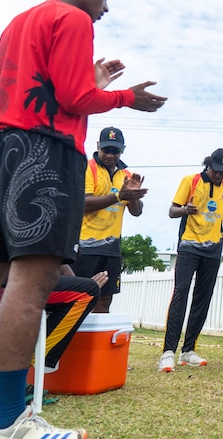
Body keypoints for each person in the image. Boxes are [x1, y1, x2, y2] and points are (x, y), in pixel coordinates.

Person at [0, 0, 165, 439]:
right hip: (45, 155)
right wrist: (127, 98)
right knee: (31, 284)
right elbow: (76, 100)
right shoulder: (74, 19)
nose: (105, 6)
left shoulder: (17, 23)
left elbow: (56, 90)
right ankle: (10, 419)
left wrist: (94, 81)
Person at [158, 148, 223, 372]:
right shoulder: (190, 182)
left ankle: (188, 351)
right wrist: (185, 210)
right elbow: (172, 211)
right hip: (189, 247)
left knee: (203, 298)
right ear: (208, 164)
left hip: (213, 250)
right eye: (217, 170)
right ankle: (168, 352)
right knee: (181, 293)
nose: (220, 176)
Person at [71, 126, 146, 312]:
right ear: (98, 146)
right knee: (79, 300)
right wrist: (120, 196)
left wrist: (133, 195)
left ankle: (98, 341)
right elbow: (83, 204)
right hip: (84, 248)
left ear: (122, 150)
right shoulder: (87, 168)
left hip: (111, 249)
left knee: (104, 301)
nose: (110, 155)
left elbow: (136, 212)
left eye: (115, 151)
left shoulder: (126, 175)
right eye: (106, 150)